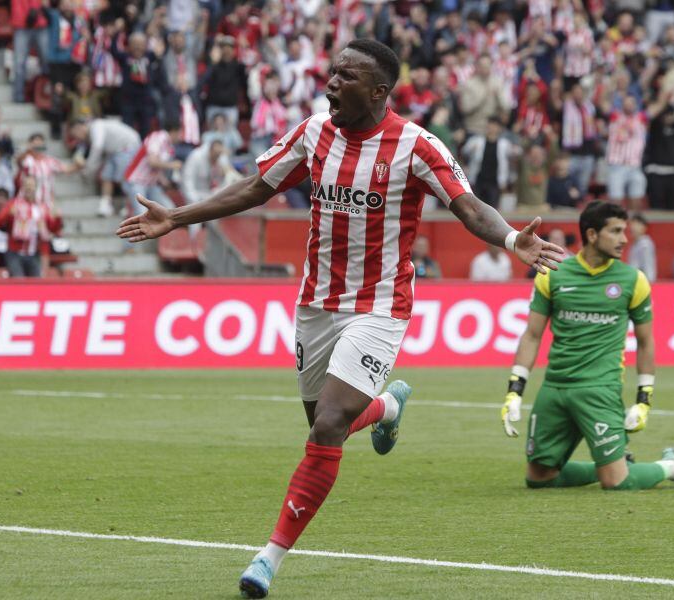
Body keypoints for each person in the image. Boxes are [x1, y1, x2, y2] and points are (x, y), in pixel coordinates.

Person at [116, 39, 564, 599]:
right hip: (316, 302)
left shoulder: (416, 146)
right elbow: (258, 187)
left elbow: (468, 206)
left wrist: (509, 238)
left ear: (379, 91)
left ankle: (268, 558)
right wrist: (177, 218)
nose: (330, 85)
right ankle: (387, 406)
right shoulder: (313, 133)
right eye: (331, 74)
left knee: (329, 423)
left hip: (380, 305)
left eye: (346, 78)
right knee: (321, 425)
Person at [501, 201, 674, 494]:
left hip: (600, 388)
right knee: (538, 477)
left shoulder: (632, 279)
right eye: (616, 231)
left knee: (617, 482)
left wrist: (643, 399)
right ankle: (616, 464)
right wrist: (515, 390)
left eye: (624, 231)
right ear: (592, 234)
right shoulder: (553, 272)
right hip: (556, 387)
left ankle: (672, 466)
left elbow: (647, 341)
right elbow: (532, 335)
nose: (625, 239)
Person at [69, 118, 142, 217]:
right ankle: (106, 205)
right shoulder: (90, 134)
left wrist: (88, 169)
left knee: (123, 178)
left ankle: (129, 206)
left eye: (76, 134)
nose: (78, 138)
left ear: (79, 128)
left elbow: (97, 147)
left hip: (128, 147)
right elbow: (95, 152)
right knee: (106, 176)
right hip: (114, 152)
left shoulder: (96, 126)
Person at [0, 175, 62, 277]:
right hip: (15, 252)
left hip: (34, 252)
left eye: (31, 185)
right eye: (26, 185)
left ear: (36, 187)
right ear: (22, 187)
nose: (29, 188)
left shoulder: (41, 207)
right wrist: (7, 214)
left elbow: (52, 229)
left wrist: (57, 218)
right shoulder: (14, 204)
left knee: (36, 286)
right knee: (18, 284)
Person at [121, 119, 183, 218]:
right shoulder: (158, 137)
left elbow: (157, 168)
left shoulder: (169, 146)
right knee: (142, 215)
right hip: (136, 181)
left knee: (170, 211)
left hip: (151, 184)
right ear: (174, 131)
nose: (181, 137)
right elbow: (152, 162)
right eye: (180, 132)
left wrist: (164, 181)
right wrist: (172, 165)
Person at [180, 141, 242, 237]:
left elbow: (228, 182)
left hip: (208, 194)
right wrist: (195, 201)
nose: (217, 157)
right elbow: (187, 181)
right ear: (210, 151)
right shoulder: (196, 156)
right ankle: (194, 244)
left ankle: (211, 246)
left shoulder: (221, 159)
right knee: (195, 219)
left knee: (216, 217)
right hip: (194, 195)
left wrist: (224, 173)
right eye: (215, 155)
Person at [605, 96, 647, 210]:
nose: (629, 105)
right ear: (621, 104)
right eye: (626, 103)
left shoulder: (641, 118)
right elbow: (602, 104)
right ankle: (615, 224)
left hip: (635, 165)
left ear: (635, 105)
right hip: (617, 164)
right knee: (615, 199)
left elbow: (656, 108)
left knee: (637, 197)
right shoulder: (615, 116)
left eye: (631, 103)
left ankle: (633, 224)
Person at [627, 213, 656, 282]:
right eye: (631, 224)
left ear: (644, 227)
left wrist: (650, 283)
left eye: (636, 224)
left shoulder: (645, 244)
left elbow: (648, 266)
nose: (632, 227)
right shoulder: (634, 244)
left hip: (643, 283)